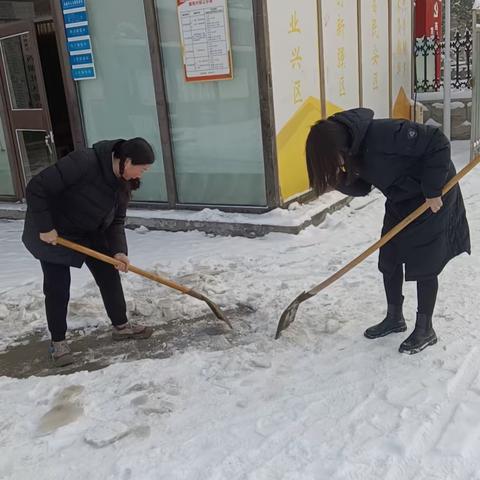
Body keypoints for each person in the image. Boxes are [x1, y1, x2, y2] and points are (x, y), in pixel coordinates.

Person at [305, 108, 470, 355]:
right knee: (389, 256)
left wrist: (433, 189)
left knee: (424, 260)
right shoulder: (352, 151)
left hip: (432, 194)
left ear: (337, 146)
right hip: (400, 198)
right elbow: (363, 187)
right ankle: (395, 317)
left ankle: (425, 329)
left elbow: (438, 141)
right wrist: (337, 182)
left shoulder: (385, 134)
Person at [22, 137, 155, 367]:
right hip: (54, 230)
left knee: (109, 273)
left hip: (89, 229)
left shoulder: (123, 181)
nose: (140, 175)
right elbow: (36, 188)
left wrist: (119, 252)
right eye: (141, 169)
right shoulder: (84, 162)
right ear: (127, 160)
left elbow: (117, 221)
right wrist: (46, 227)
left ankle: (121, 326)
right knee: (57, 287)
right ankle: (58, 342)